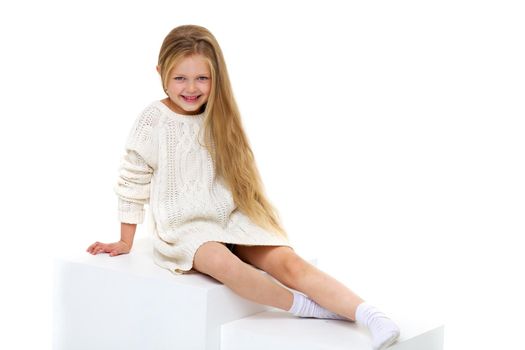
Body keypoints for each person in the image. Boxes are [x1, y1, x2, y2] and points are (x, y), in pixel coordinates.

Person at [86, 24, 400, 350]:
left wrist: (250, 217)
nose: (191, 88)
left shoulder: (220, 115)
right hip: (185, 228)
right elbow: (133, 177)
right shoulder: (154, 120)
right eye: (180, 78)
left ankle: (371, 315)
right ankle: (309, 307)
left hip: (229, 217)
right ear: (160, 72)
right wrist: (126, 240)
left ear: (216, 77)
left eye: (202, 78)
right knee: (225, 265)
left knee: (289, 262)